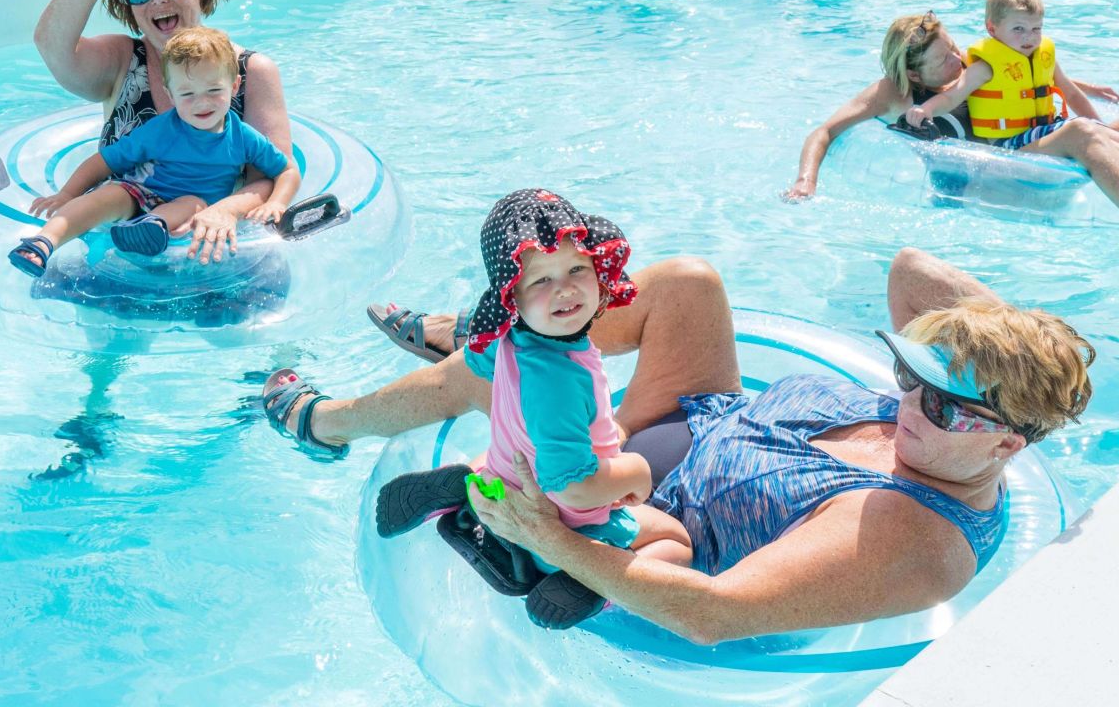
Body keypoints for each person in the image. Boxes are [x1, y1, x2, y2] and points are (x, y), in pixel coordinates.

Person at [261, 247, 1095, 646]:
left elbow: (712, 615)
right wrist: (1038, 358)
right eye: (911, 374)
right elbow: (915, 270)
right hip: (703, 420)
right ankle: (487, 331)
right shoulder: (946, 415)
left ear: (1008, 449)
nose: (914, 404)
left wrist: (550, 536)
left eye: (948, 410)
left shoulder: (918, 538)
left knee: (495, 382)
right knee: (688, 282)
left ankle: (322, 423)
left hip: (660, 517)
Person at [371, 191, 693, 629]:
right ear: (514, 297)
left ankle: (467, 490)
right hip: (563, 529)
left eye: (577, 268)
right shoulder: (559, 379)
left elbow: (478, 364)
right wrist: (636, 472)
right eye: (541, 280)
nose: (564, 288)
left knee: (511, 453)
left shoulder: (511, 336)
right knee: (675, 542)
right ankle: (591, 585)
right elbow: (573, 487)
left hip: (504, 487)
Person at [33, 0, 292, 265]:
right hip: (119, 257)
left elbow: (270, 176)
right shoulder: (121, 59)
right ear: (128, 4)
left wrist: (225, 210)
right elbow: (50, 44)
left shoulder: (251, 71)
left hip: (214, 255)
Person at [8, 27, 299, 274]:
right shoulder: (162, 130)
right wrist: (68, 193)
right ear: (171, 95)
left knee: (192, 203)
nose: (202, 103)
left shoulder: (243, 137)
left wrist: (278, 202)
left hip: (194, 208)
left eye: (214, 90)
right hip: (143, 192)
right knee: (111, 194)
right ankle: (42, 243)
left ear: (235, 86)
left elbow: (286, 170)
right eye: (187, 94)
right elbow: (105, 161)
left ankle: (149, 228)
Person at [785, 11, 1118, 201]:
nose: (958, 59)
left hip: (1021, 153)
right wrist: (805, 180)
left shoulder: (967, 69)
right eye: (944, 59)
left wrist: (1087, 87)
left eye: (954, 47)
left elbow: (1020, 80)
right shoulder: (894, 93)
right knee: (1083, 132)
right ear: (915, 73)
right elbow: (825, 131)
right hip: (981, 182)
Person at [905, 0, 1119, 204]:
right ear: (992, 29)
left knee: (1099, 130)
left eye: (1037, 29)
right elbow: (952, 96)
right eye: (1019, 29)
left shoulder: (1042, 57)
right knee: (1081, 129)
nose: (1029, 37)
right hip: (1010, 148)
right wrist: (926, 109)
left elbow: (1073, 95)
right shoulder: (985, 66)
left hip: (1043, 133)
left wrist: (1100, 126)